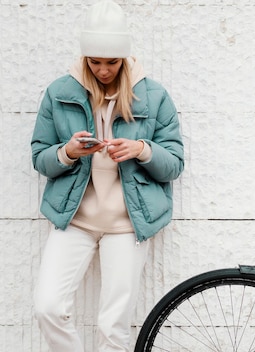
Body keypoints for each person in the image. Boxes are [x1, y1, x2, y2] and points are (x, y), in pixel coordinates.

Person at [30, 1, 184, 351]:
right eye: (94, 62)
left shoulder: (153, 95)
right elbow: (40, 157)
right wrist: (67, 152)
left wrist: (141, 149)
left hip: (130, 223)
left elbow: (174, 163)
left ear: (125, 58)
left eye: (111, 62)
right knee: (48, 307)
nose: (103, 70)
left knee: (112, 325)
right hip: (75, 219)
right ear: (84, 58)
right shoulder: (59, 93)